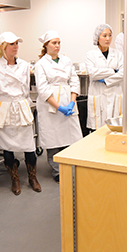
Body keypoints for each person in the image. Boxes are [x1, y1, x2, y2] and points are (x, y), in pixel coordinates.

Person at [0, 32, 41, 196]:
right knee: (7, 148)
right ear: (3, 47)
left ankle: (33, 177)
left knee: (29, 146)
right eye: (12, 44)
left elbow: (26, 89)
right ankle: (15, 179)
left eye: (17, 43)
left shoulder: (24, 65)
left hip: (21, 107)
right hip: (4, 108)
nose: (16, 46)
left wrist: (26, 103)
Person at [34, 30, 83, 183]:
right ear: (46, 45)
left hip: (68, 98)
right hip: (51, 102)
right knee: (53, 136)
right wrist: (58, 107)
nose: (57, 46)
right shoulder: (41, 64)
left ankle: (72, 165)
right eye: (54, 43)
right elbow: (42, 89)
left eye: (59, 42)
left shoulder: (66, 60)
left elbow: (74, 81)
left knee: (72, 135)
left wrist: (72, 102)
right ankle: (57, 170)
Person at [85, 24, 123, 130]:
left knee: (115, 127)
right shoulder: (90, 55)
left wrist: (106, 80)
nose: (108, 39)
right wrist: (113, 71)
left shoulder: (118, 54)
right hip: (98, 94)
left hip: (115, 93)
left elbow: (123, 73)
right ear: (97, 38)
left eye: (110, 35)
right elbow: (93, 73)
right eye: (104, 35)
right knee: (98, 129)